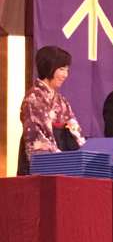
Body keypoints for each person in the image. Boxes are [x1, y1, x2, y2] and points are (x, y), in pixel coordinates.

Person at [18, 46, 85, 175]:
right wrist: (64, 160)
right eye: (61, 69)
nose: (65, 75)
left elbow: (75, 131)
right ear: (48, 67)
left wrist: (83, 156)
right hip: (43, 166)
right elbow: (37, 138)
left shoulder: (62, 101)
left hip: (63, 163)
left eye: (67, 70)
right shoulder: (34, 98)